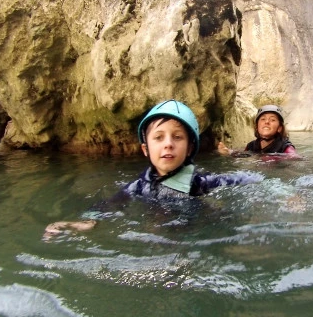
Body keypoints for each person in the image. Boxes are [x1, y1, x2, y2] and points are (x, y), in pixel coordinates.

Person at [44, 99, 263, 236]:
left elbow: (247, 179)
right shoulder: (139, 186)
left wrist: (284, 192)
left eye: (177, 137)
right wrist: (87, 220)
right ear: (145, 149)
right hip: (157, 232)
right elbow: (109, 205)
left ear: (189, 149)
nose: (168, 143)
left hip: (199, 231)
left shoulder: (200, 182)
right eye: (158, 137)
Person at [217, 104, 298, 157]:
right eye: (263, 119)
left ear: (279, 128)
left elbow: (295, 158)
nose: (266, 122)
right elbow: (243, 156)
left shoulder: (286, 148)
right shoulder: (251, 146)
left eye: (272, 120)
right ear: (257, 126)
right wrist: (229, 152)